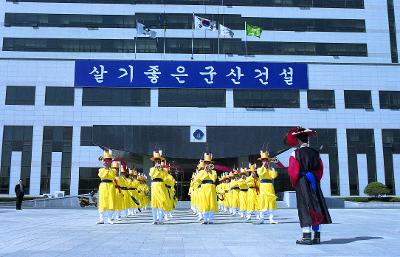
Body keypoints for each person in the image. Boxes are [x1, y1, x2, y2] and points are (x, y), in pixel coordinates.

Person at [286, 127, 332, 245]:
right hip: (314, 182)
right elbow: (320, 170)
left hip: (302, 181)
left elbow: (293, 171)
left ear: (298, 140)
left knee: (304, 206)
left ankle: (306, 236)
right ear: (307, 139)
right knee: (316, 206)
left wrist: (294, 182)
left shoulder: (294, 153)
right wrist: (314, 179)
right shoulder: (316, 153)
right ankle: (317, 237)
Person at [194, 153, 218, 224]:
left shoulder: (214, 172)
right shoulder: (201, 172)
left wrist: (209, 172)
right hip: (203, 187)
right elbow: (197, 179)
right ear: (204, 164)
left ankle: (210, 219)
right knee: (204, 202)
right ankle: (205, 219)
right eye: (206, 163)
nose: (207, 164)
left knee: (211, 203)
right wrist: (204, 171)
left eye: (209, 163)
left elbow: (214, 179)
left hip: (211, 188)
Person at [257, 150, 278, 224]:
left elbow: (274, 176)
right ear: (261, 162)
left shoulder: (270, 169)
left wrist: (270, 168)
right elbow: (260, 173)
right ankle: (261, 218)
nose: (265, 162)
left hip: (270, 186)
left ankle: (271, 219)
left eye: (266, 160)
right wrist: (264, 166)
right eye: (263, 161)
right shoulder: (259, 169)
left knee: (271, 202)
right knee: (263, 202)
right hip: (263, 187)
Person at [149, 150, 169, 224]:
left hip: (161, 185)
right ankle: (154, 220)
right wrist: (155, 168)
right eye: (156, 161)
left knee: (161, 203)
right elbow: (151, 175)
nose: (158, 162)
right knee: (154, 204)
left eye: (159, 161)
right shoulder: (152, 169)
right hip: (154, 185)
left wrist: (161, 169)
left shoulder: (163, 170)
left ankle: (161, 220)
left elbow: (165, 178)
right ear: (154, 162)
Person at [97, 151, 116, 224]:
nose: (106, 162)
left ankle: (109, 219)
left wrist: (108, 169)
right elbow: (102, 176)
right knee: (102, 201)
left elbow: (112, 176)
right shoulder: (101, 170)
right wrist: (106, 168)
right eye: (105, 160)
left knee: (110, 201)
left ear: (110, 162)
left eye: (108, 161)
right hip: (103, 185)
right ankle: (101, 219)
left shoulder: (113, 170)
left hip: (111, 185)